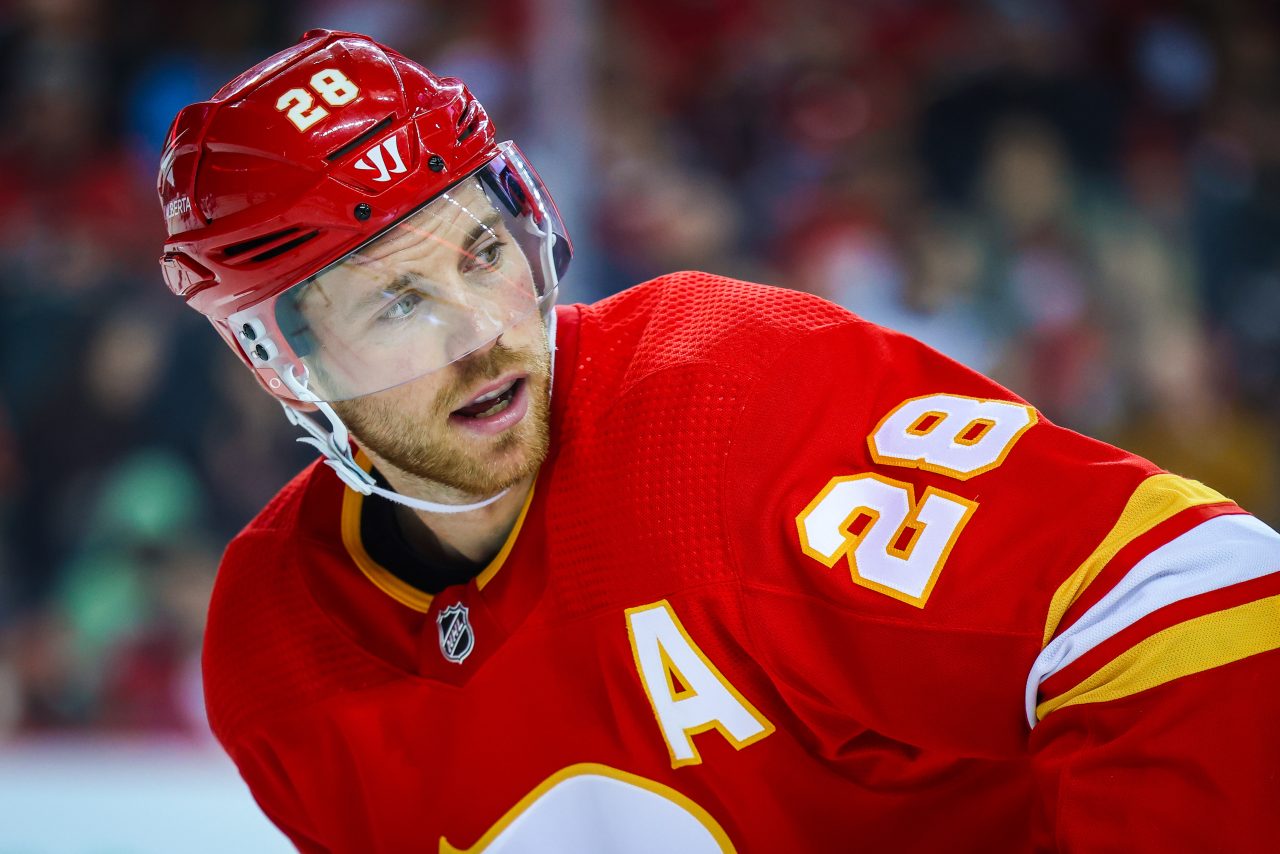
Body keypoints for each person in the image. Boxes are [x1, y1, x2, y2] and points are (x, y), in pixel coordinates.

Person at [158, 30, 1280, 853]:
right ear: (282, 362)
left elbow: (1196, 589)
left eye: (481, 252)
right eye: (396, 304)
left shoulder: (728, 404)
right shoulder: (277, 653)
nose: (482, 335)